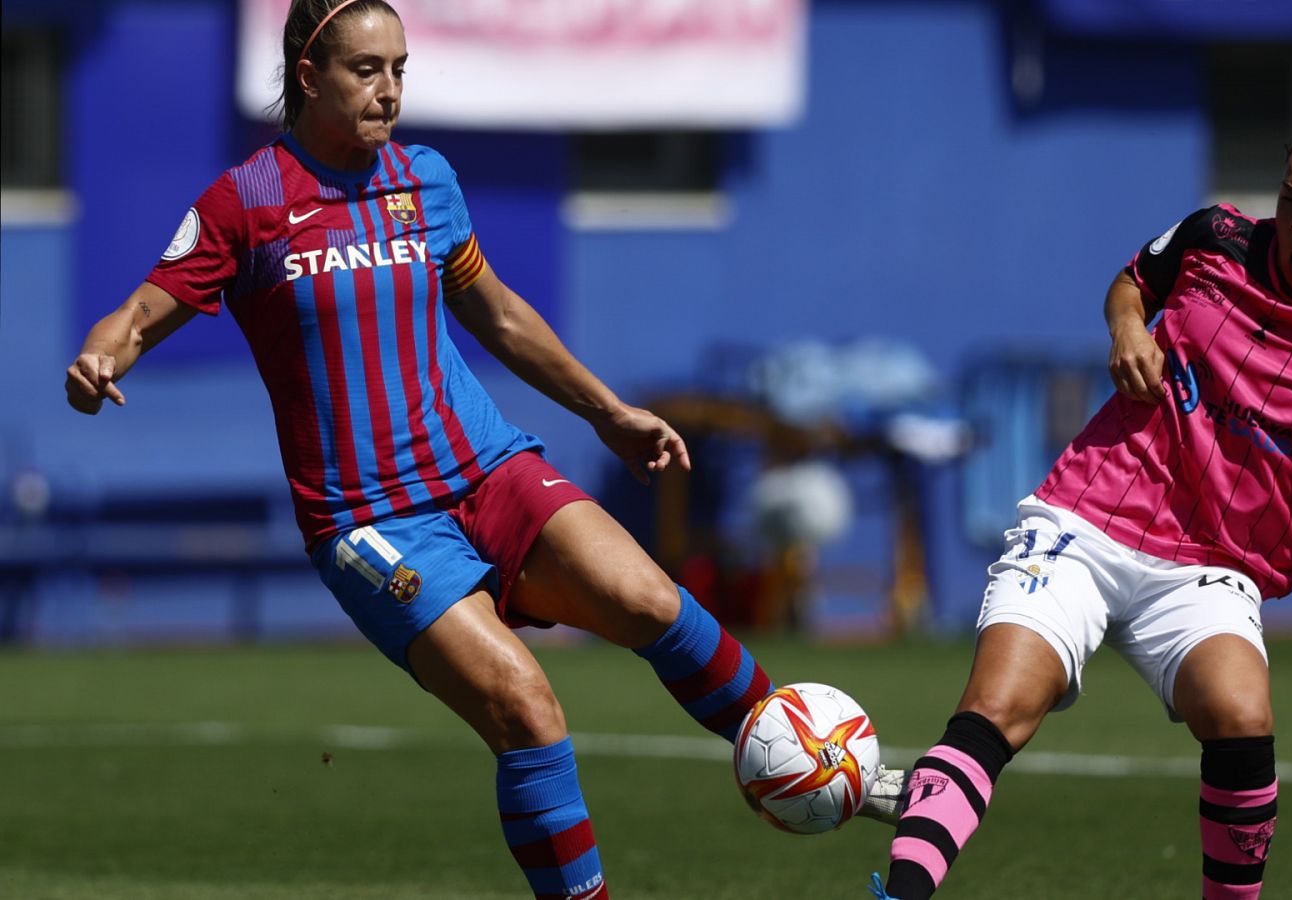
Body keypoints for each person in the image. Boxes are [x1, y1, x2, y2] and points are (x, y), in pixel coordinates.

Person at [62, 2, 899, 896]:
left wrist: (608, 410)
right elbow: (145, 308)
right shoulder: (250, 202)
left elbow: (496, 312)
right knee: (527, 710)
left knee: (653, 600)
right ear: (308, 76)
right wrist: (101, 356)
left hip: (486, 469)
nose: (389, 92)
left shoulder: (426, 181)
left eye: (400, 69)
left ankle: (812, 758)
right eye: (366, 70)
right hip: (371, 522)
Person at [868, 78, 1292, 900]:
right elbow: (1133, 282)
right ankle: (903, 889)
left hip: (1211, 563)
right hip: (1092, 515)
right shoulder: (1216, 237)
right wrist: (1128, 327)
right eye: (1290, 199)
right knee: (1000, 708)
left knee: (1241, 717)